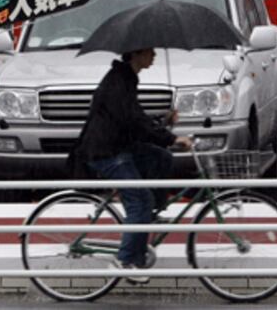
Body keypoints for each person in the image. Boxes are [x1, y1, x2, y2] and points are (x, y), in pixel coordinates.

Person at [67, 48, 192, 284]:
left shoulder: (126, 77)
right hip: (107, 151)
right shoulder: (118, 81)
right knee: (140, 199)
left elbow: (135, 118)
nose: (154, 55)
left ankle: (148, 215)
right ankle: (124, 259)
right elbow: (132, 121)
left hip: (120, 146)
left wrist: (161, 120)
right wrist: (171, 138)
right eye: (149, 51)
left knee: (162, 158)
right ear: (136, 54)